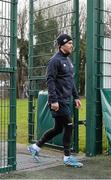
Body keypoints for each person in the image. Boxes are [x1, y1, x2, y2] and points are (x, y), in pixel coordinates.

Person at [28, 33, 83, 167]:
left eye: (71, 43)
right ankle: (67, 158)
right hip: (58, 101)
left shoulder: (69, 62)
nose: (71, 45)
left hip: (66, 100)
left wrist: (76, 97)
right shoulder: (54, 61)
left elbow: (71, 81)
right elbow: (50, 80)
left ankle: (36, 146)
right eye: (69, 43)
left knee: (58, 129)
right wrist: (53, 100)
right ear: (61, 45)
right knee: (69, 127)